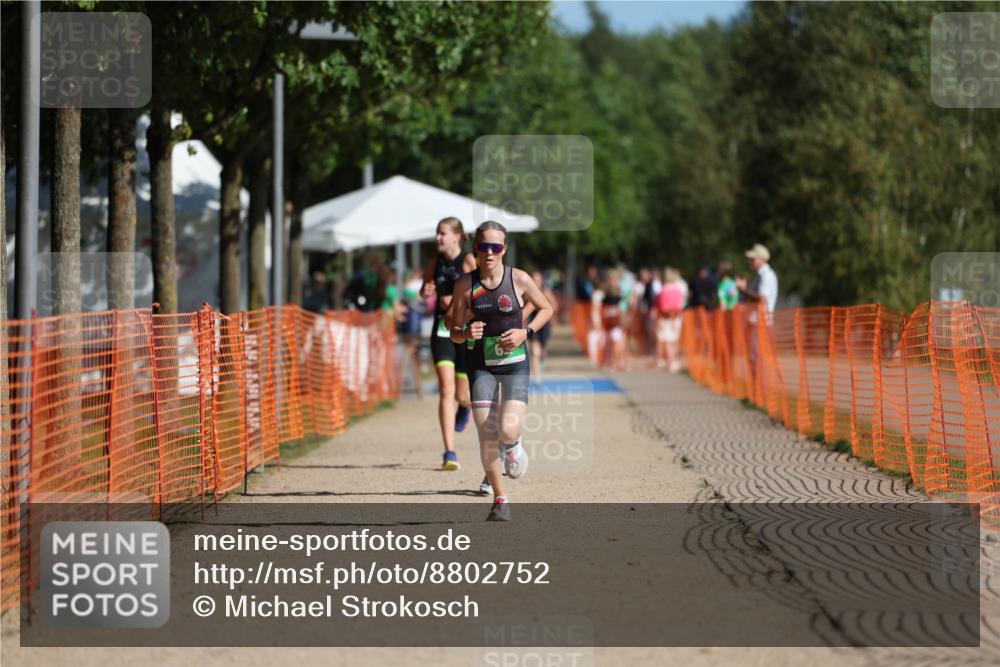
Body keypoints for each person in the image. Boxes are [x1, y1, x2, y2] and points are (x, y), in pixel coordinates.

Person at [449, 221, 553, 521]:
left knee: (507, 429)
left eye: (496, 247)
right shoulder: (464, 285)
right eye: (484, 247)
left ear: (504, 249)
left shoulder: (518, 279)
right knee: (486, 432)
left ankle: (513, 445)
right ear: (476, 250)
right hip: (480, 365)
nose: (490, 253)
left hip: (515, 363)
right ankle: (500, 498)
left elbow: (546, 308)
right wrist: (466, 332)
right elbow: (454, 329)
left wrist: (526, 332)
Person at [421, 218, 477, 470]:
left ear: (456, 236)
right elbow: (425, 291)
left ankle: (464, 409)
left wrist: (456, 303)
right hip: (442, 331)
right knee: (446, 390)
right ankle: (449, 452)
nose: (437, 238)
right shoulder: (434, 263)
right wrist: (427, 292)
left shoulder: (467, 262)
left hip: (463, 333)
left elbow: (479, 295)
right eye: (436, 233)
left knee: (463, 395)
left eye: (442, 234)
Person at [735, 243, 778, 386]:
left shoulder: (767, 276)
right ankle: (757, 391)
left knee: (756, 356)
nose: (750, 262)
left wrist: (743, 289)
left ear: (761, 259)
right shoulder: (760, 275)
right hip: (755, 320)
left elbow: (761, 298)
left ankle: (761, 391)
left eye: (753, 259)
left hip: (761, 321)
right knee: (753, 356)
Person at [523, 270, 558, 385]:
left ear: (542, 281)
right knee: (534, 350)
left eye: (537, 279)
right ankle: (537, 376)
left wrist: (548, 311)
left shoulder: (546, 292)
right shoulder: (527, 293)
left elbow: (554, 306)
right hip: (533, 324)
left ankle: (540, 362)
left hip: (545, 324)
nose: (535, 281)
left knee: (542, 351)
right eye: (533, 279)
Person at [656, 267, 688, 372]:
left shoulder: (663, 290)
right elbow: (681, 305)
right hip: (676, 317)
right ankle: (675, 361)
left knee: (669, 341)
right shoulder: (678, 290)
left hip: (666, 318)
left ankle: (671, 361)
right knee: (675, 340)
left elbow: (660, 306)